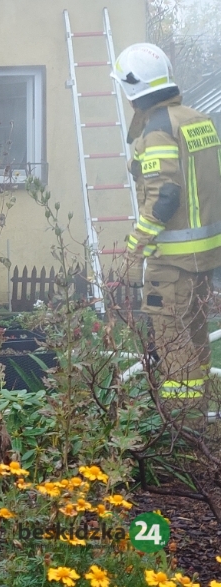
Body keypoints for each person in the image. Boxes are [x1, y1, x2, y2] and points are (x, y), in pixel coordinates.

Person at [115, 42, 221, 422]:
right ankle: (198, 421)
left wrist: (134, 250)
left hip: (172, 262)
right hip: (202, 257)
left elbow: (166, 196)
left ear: (132, 90)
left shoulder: (159, 130)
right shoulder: (198, 120)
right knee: (194, 339)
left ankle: (180, 427)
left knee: (174, 345)